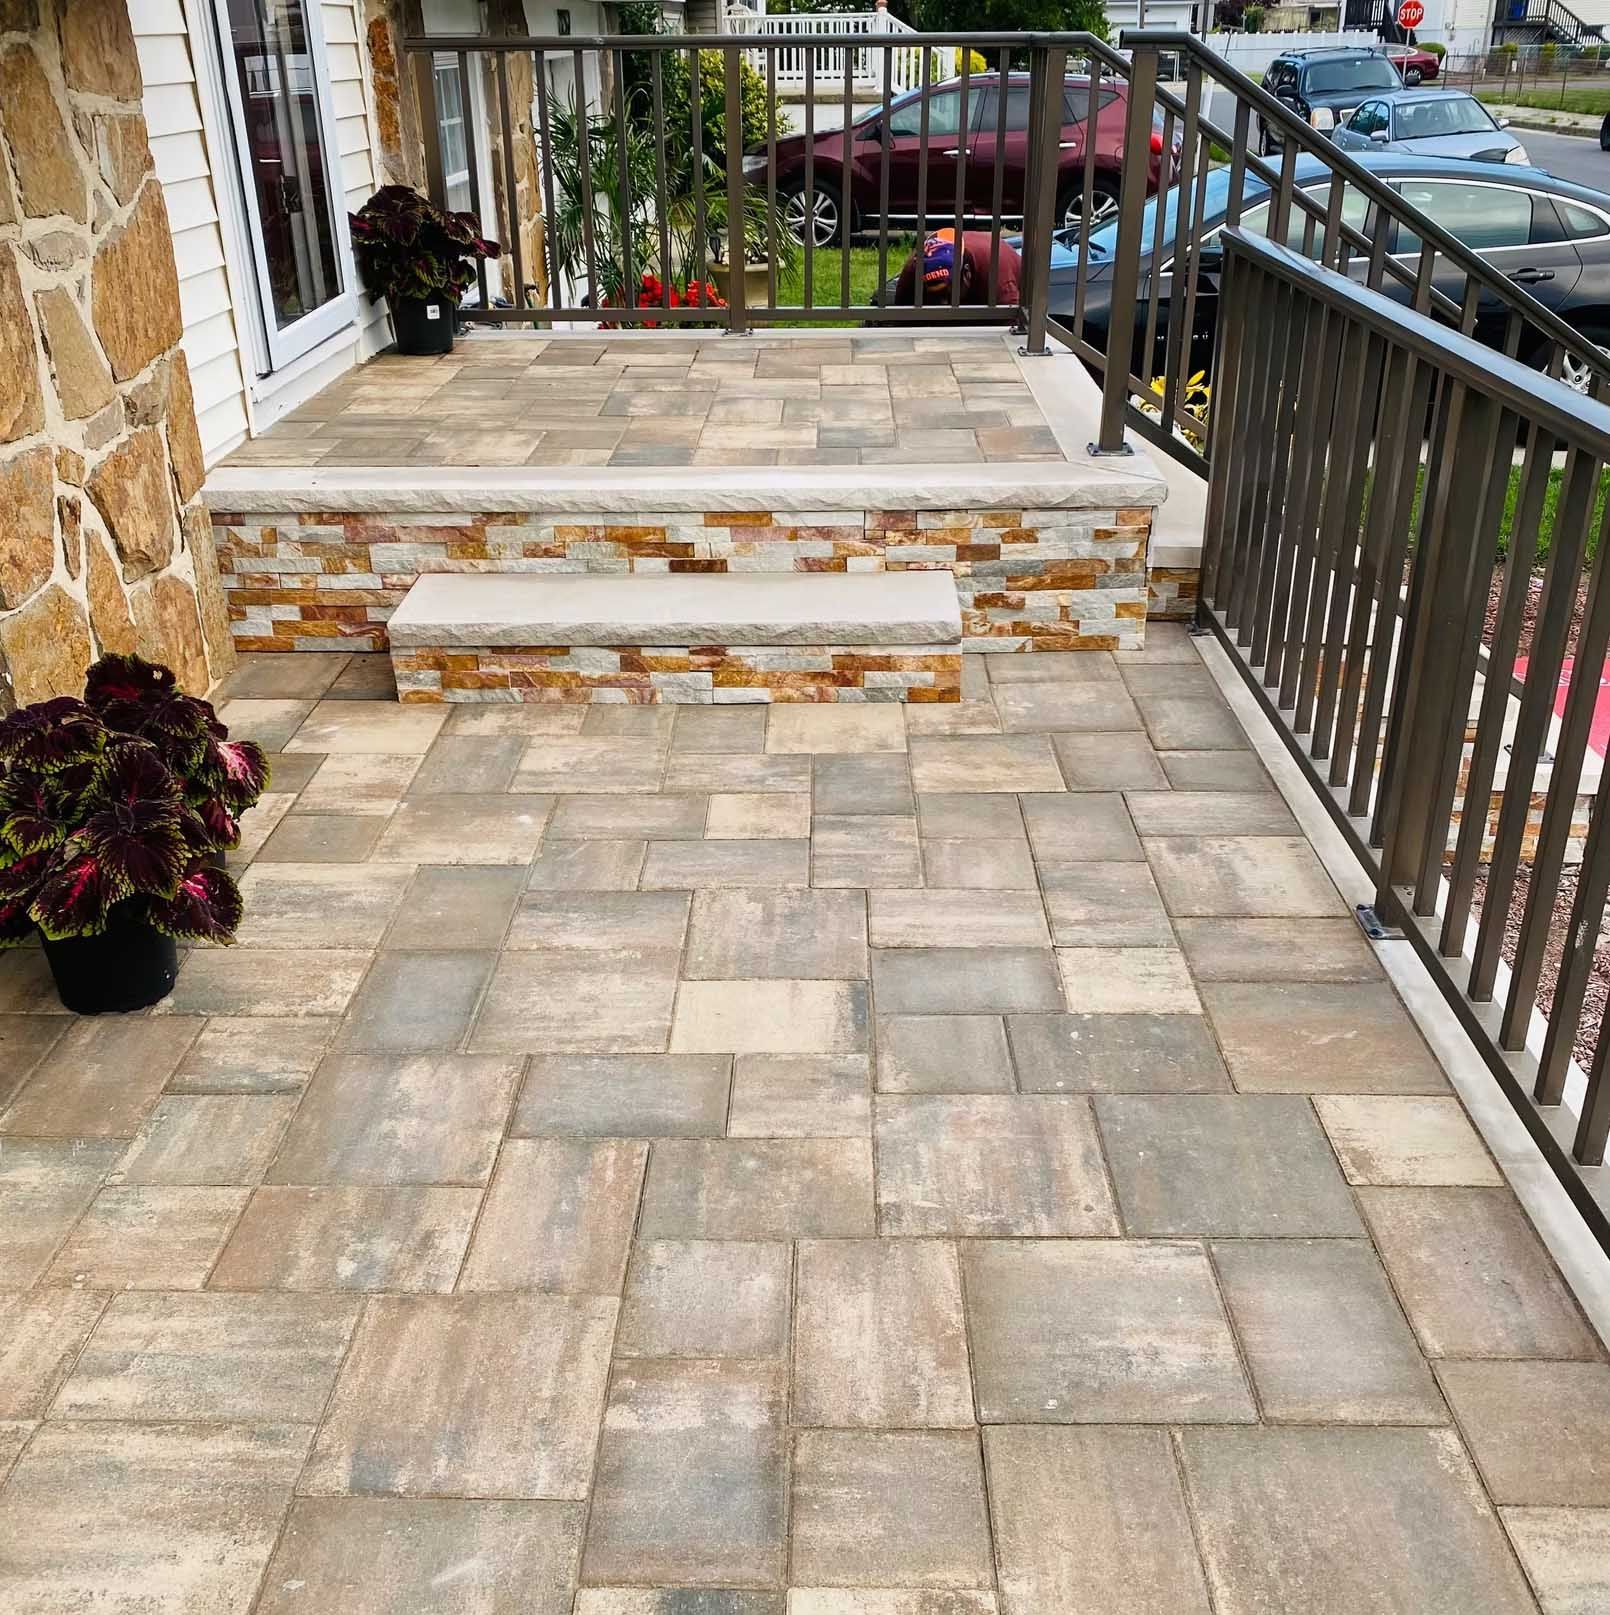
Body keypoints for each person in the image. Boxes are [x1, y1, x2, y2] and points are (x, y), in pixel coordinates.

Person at [892, 228, 1022, 307]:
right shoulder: (914, 269)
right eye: (935, 295)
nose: (943, 304)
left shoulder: (998, 277)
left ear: (967, 274)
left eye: (948, 294)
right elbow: (900, 320)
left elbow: (1010, 330)